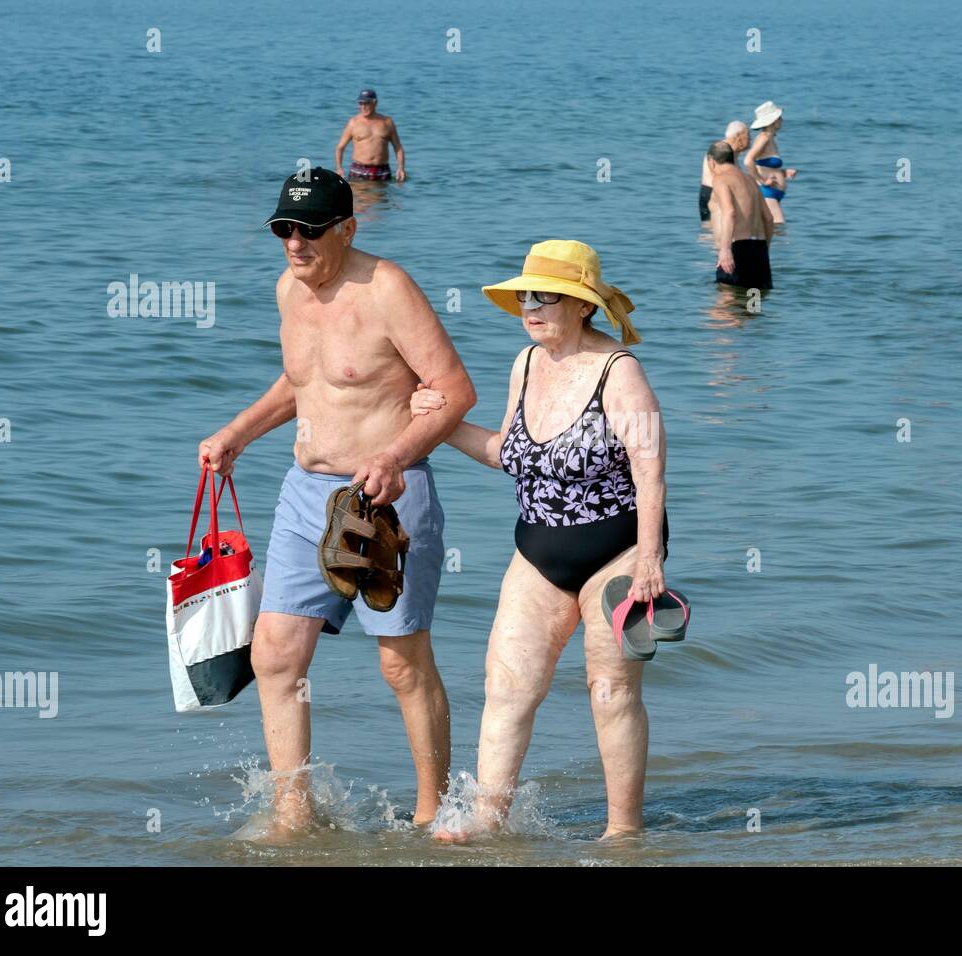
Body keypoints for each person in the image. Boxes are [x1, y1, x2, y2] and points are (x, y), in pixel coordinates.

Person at [197, 167, 475, 839]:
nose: (295, 244)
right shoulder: (289, 290)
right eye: (283, 230)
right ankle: (295, 812)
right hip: (304, 493)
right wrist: (238, 431)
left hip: (388, 496)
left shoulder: (388, 289)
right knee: (274, 655)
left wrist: (395, 456)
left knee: (400, 663)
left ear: (348, 228)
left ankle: (434, 813)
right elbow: (308, 382)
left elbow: (455, 389)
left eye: (311, 231)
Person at [409, 240, 670, 841]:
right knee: (506, 684)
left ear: (582, 306)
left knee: (609, 693)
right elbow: (509, 454)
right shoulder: (526, 362)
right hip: (537, 551)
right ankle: (485, 820)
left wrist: (650, 558)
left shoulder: (619, 371)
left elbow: (650, 467)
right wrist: (440, 424)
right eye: (525, 295)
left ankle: (622, 831)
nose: (530, 305)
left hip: (618, 551)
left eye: (545, 295)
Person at [708, 141, 774, 290]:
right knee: (752, 309)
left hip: (737, 251)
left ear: (711, 161)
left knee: (725, 309)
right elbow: (769, 219)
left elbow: (730, 212)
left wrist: (725, 250)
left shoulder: (721, 179)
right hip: (759, 253)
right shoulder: (751, 180)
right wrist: (764, 250)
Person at [335, 89, 407, 182]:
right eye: (360, 103)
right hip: (359, 169)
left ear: (375, 103)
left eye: (367, 103)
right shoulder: (353, 123)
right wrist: (339, 169)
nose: (363, 107)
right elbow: (340, 148)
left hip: (382, 170)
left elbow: (398, 148)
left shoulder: (387, 122)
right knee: (359, 196)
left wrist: (401, 168)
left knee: (382, 196)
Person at [744, 100, 797, 224]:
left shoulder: (770, 138)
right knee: (779, 227)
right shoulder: (764, 138)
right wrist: (762, 181)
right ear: (773, 121)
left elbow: (762, 164)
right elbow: (748, 161)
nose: (782, 120)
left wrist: (783, 173)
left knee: (772, 231)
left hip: (773, 192)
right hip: (767, 192)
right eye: (780, 117)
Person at [698, 120, 750, 222]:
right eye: (747, 135)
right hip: (714, 193)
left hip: (713, 191)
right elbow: (722, 176)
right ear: (738, 136)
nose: (749, 139)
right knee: (714, 228)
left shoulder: (731, 151)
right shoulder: (721, 151)